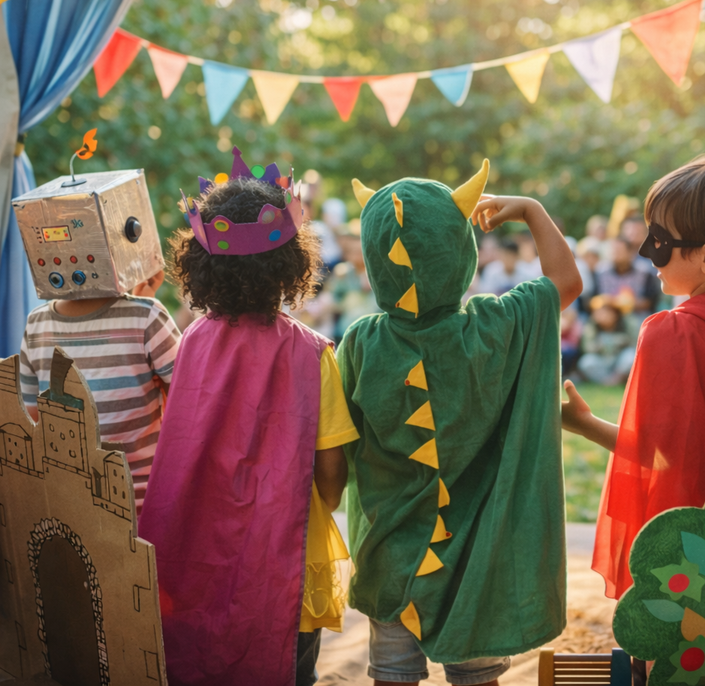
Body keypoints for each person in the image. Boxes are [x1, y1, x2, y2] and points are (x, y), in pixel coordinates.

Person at [339, 161, 582, 686]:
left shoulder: (360, 341)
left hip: (388, 553)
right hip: (474, 556)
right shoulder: (493, 326)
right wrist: (532, 211)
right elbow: (565, 283)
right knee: (477, 676)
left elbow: (341, 447)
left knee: (392, 672)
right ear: (459, 249)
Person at [138, 156, 359, 686]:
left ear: (202, 264)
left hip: (199, 557)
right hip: (285, 564)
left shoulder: (192, 342)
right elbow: (330, 478)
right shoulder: (311, 354)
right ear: (290, 263)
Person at [561, 156, 705, 601]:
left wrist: (583, 424)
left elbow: (660, 455)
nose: (644, 253)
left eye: (659, 242)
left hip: (701, 552)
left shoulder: (672, 333)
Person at [19, 268, 179, 514]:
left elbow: (30, 419)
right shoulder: (147, 316)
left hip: (69, 508)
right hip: (144, 509)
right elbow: (185, 406)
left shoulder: (36, 323)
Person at [576, 293, 638, 385]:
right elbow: (587, 348)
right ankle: (607, 381)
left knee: (630, 357)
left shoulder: (627, 322)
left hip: (620, 360)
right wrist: (601, 345)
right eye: (598, 312)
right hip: (602, 360)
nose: (602, 315)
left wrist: (621, 342)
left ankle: (619, 379)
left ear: (615, 312)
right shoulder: (591, 326)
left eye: (606, 312)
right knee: (586, 362)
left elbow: (636, 345)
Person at [594, 237, 659, 316]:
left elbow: (650, 302)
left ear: (630, 253)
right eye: (613, 250)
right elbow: (593, 300)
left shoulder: (644, 272)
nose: (615, 254)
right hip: (608, 317)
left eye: (619, 251)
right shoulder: (601, 272)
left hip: (637, 317)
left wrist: (620, 303)